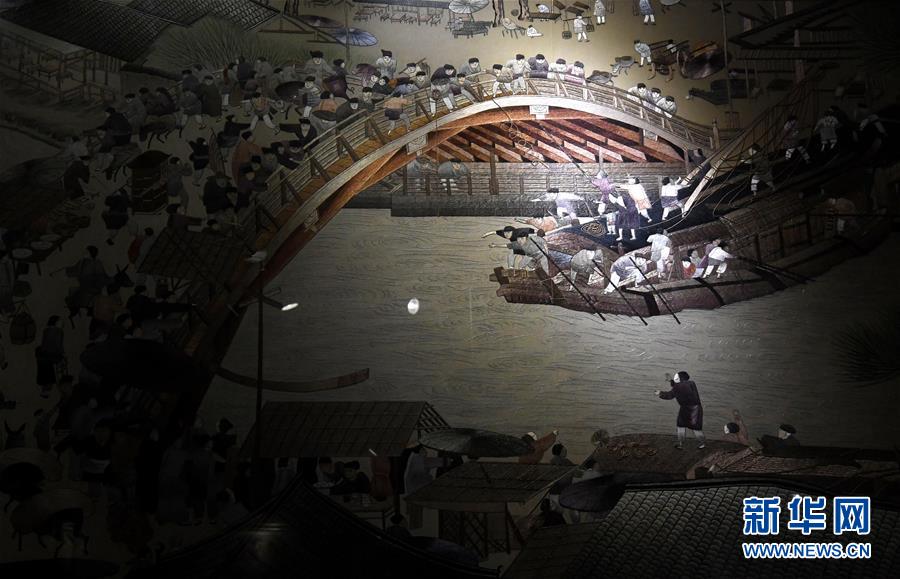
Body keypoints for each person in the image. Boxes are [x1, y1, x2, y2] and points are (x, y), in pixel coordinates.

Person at [656, 371, 705, 449]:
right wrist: (671, 381)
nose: (675, 378)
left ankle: (681, 444)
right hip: (694, 408)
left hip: (690, 410)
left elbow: (670, 395)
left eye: (676, 377)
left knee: (683, 427)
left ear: (680, 378)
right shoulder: (691, 383)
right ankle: (701, 443)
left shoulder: (678, 387)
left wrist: (660, 393)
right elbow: (679, 387)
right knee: (694, 428)